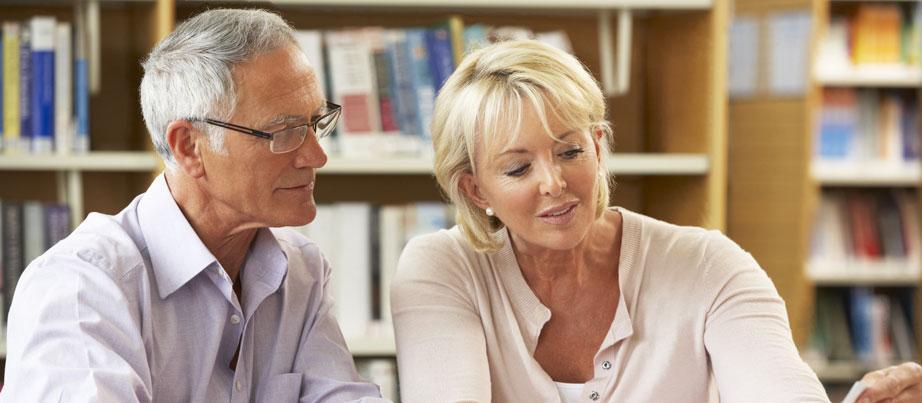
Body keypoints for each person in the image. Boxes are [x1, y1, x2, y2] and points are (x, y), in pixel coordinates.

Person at [389, 39, 921, 403]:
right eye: (518, 167)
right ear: (474, 188)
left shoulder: (707, 264)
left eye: (570, 151)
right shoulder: (442, 269)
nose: (552, 182)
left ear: (598, 147)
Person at [0, 9, 385, 402]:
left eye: (316, 122)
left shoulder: (302, 270)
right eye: (285, 132)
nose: (316, 156)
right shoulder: (82, 286)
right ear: (189, 146)